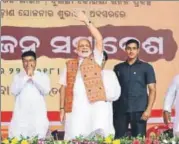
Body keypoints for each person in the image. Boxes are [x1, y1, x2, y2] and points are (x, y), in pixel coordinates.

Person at [59, 11, 114, 140]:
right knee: (75, 137)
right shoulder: (69, 65)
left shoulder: (95, 59)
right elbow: (63, 88)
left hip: (92, 107)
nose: (84, 47)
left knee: (93, 137)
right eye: (81, 46)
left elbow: (99, 39)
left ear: (91, 49)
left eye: (87, 45)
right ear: (76, 50)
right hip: (75, 108)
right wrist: (61, 108)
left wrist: (86, 21)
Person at [113, 39, 156, 138]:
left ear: (138, 50)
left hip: (139, 110)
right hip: (121, 110)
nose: (131, 51)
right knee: (118, 139)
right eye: (128, 48)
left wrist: (148, 110)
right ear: (125, 50)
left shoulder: (147, 67)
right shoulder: (118, 68)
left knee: (139, 140)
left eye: (134, 48)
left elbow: (152, 89)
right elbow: (114, 89)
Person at [8, 51, 50, 139]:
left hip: (38, 117)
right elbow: (14, 91)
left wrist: (33, 77)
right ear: (22, 62)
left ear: (35, 62)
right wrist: (26, 77)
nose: (28, 63)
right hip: (21, 117)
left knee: (38, 138)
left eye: (31, 60)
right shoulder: (18, 76)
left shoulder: (42, 76)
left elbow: (46, 90)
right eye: (25, 61)